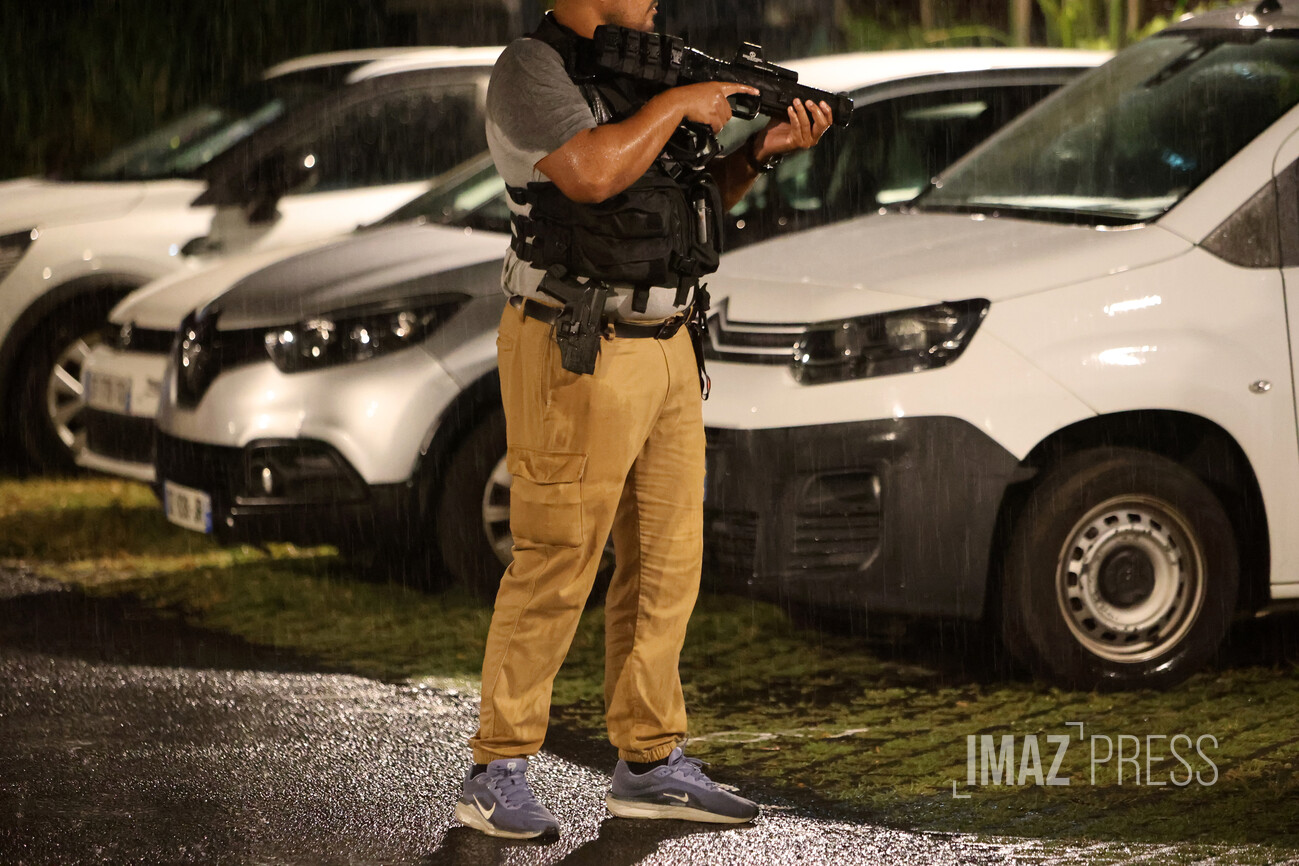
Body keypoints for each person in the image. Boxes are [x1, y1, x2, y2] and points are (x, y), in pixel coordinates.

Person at [454, 0, 832, 840]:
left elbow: (677, 202)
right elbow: (590, 174)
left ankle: (649, 762)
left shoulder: (645, 68)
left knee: (666, 560)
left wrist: (757, 154)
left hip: (667, 340)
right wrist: (678, 104)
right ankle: (496, 769)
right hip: (575, 339)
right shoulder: (533, 67)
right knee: (557, 556)